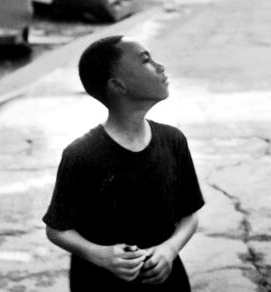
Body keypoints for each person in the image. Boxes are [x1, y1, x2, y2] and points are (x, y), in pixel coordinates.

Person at [43, 35, 205, 291]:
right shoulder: (82, 154)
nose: (160, 66)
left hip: (166, 279)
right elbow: (57, 229)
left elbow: (189, 215)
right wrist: (100, 255)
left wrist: (169, 250)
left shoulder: (173, 140)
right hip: (99, 283)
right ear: (118, 86)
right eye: (145, 60)